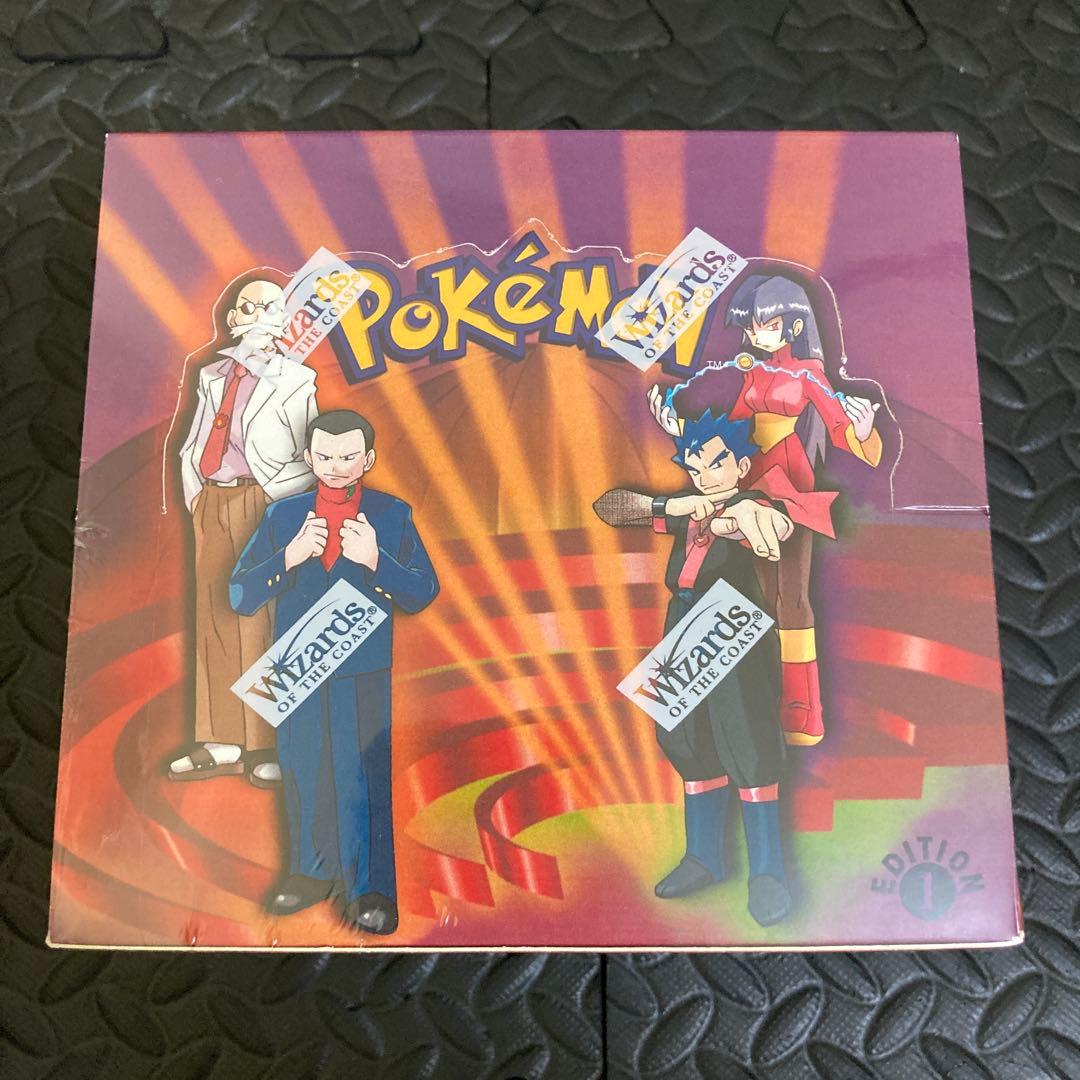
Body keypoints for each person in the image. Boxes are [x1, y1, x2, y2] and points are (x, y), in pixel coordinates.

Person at [595, 408, 831, 927]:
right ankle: (703, 858)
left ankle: (767, 874)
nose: (706, 474)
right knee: (682, 738)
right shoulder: (688, 508)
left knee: (748, 742)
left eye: (716, 463)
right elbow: (609, 507)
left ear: (741, 466)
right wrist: (676, 504)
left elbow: (769, 523)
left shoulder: (752, 504)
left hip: (732, 622)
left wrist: (743, 517)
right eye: (696, 466)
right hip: (682, 620)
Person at [649, 272, 882, 746]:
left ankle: (804, 710)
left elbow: (839, 429)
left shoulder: (809, 373)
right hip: (750, 480)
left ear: (793, 324)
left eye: (765, 325)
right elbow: (730, 433)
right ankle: (759, 701)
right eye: (750, 327)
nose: (756, 336)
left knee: (791, 598)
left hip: (790, 482)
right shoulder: (753, 372)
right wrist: (682, 430)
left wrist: (861, 432)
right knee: (756, 597)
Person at [229, 410, 438, 934]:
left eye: (348, 457)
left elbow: (423, 592)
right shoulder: (283, 516)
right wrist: (289, 556)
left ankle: (370, 890)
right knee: (302, 768)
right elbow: (239, 593)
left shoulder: (392, 515)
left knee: (361, 776)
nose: (336, 466)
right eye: (324, 456)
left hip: (361, 669)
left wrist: (376, 562)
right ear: (308, 457)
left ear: (368, 459)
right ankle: (309, 873)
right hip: (297, 665)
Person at [170, 271, 317, 786]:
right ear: (233, 319)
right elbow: (196, 439)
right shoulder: (212, 374)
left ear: (284, 320)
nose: (258, 316)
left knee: (263, 617)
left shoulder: (297, 379)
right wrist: (196, 493)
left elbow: (310, 453)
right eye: (248, 308)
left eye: (270, 307)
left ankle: (266, 743)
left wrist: (282, 502)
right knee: (214, 613)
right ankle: (220, 738)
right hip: (213, 499)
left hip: (265, 501)